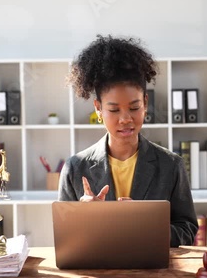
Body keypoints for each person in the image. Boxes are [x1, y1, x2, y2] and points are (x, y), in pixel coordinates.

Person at [58, 34, 198, 247]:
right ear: (98, 108)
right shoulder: (75, 168)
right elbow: (64, 238)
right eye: (114, 110)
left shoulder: (171, 165)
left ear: (145, 103)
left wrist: (145, 224)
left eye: (134, 108)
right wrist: (83, 218)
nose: (125, 119)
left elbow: (187, 231)